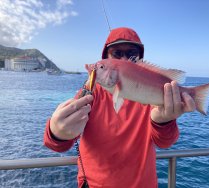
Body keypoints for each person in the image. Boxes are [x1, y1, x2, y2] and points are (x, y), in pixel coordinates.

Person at [44, 27, 196, 188]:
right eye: (116, 54)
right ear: (106, 59)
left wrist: (164, 121)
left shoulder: (153, 98)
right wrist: (57, 132)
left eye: (131, 54)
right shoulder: (90, 92)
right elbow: (58, 144)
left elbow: (165, 142)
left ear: (140, 60)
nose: (123, 60)